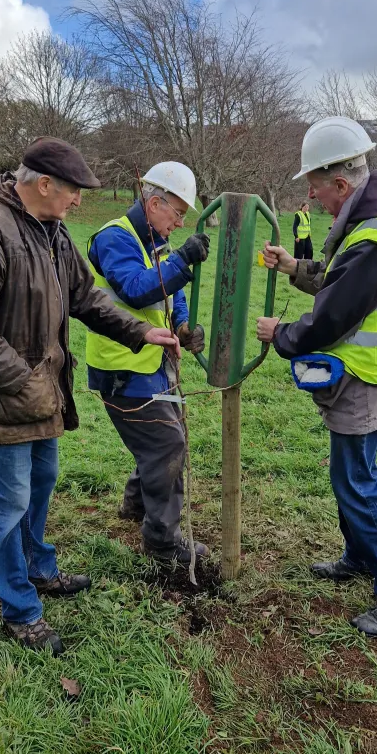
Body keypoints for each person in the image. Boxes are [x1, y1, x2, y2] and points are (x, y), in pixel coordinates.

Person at [0, 138, 179, 657]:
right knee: (7, 506)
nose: (78, 203)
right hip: (2, 397)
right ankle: (19, 609)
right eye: (73, 192)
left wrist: (139, 332)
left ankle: (39, 568)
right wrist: (19, 380)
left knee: (42, 482)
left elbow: (85, 298)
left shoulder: (52, 231)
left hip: (43, 394)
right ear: (44, 185)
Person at [256, 116, 377, 639]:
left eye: (316, 189)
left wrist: (283, 334)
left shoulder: (376, 236)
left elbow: (334, 315)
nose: (313, 201)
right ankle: (359, 554)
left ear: (341, 183)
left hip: (373, 376)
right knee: (354, 474)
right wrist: (294, 267)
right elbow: (346, 284)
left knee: (355, 483)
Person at [86, 162, 211, 566]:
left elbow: (170, 297)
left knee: (163, 438)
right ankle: (162, 542)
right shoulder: (115, 238)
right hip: (123, 368)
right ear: (155, 202)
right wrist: (183, 263)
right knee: (166, 444)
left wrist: (183, 324)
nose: (179, 223)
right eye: (177, 213)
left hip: (154, 363)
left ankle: (135, 505)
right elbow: (136, 290)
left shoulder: (154, 238)